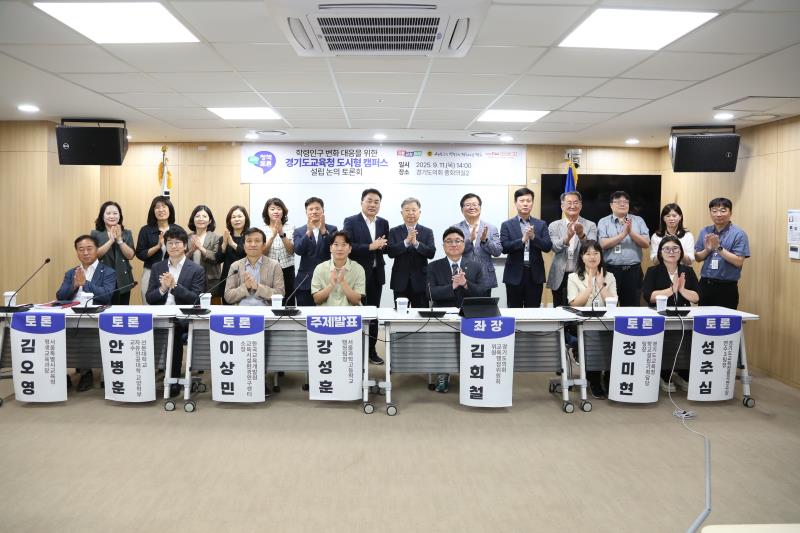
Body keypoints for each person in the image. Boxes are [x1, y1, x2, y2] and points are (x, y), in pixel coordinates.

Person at [145, 227, 205, 398]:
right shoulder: (158, 267)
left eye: (177, 243)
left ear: (185, 246)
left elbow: (196, 299)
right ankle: (144, 376)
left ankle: (172, 378)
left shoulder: (196, 269)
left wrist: (175, 287)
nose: (173, 246)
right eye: (170, 243)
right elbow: (150, 297)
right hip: (159, 314)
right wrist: (163, 289)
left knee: (175, 331)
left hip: (182, 317)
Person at [426, 227, 486, 393]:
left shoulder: (475, 266)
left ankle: (471, 374)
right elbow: (430, 293)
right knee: (442, 344)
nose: (453, 244)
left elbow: (482, 292)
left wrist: (466, 284)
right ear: (443, 245)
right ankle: (442, 373)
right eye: (449, 241)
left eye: (458, 241)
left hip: (469, 315)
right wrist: (452, 286)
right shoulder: (433, 266)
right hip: (443, 314)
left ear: (464, 244)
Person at [56, 235, 117, 392]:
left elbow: (107, 295)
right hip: (71, 314)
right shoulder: (71, 273)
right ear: (76, 252)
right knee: (53, 333)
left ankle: (86, 373)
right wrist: (75, 285)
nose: (85, 252)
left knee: (83, 335)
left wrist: (86, 284)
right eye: (81, 249)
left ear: (97, 250)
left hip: (95, 315)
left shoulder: (108, 271)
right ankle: (61, 375)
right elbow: (60, 296)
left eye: (89, 248)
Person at [642, 236, 700, 392]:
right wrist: (671, 290)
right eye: (666, 249)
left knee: (686, 344)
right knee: (667, 345)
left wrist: (682, 290)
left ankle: (683, 374)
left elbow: (696, 297)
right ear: (660, 253)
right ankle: (664, 375)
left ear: (681, 252)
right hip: (660, 316)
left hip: (684, 316)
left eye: (675, 248)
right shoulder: (653, 271)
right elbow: (649, 296)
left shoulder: (687, 271)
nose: (671, 252)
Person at [343, 188, 389, 365]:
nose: (372, 204)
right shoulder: (351, 221)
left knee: (373, 314)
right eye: (369, 201)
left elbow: (386, 246)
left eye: (376, 201)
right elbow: (349, 246)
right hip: (356, 276)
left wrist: (382, 246)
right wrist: (370, 246)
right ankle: (353, 349)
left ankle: (371, 351)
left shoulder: (383, 222)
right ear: (362, 202)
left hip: (376, 275)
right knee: (356, 314)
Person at [567, 240, 617, 399]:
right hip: (582, 323)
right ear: (582, 257)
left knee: (615, 337)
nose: (592, 256)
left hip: (607, 322)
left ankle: (609, 378)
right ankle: (594, 379)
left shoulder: (610, 276)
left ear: (601, 256)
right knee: (592, 336)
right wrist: (589, 287)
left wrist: (601, 286)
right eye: (587, 253)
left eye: (596, 253)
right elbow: (575, 303)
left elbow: (614, 304)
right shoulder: (574, 277)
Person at [500, 187, 552, 308]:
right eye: (522, 200)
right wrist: (522, 240)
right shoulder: (507, 225)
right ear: (515, 203)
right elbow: (504, 247)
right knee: (514, 310)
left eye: (528, 201)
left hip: (534, 275)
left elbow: (547, 247)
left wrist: (534, 237)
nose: (525, 204)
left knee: (533, 311)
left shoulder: (541, 224)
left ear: (532, 203)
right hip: (514, 275)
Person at [694, 198, 750, 309]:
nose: (718, 214)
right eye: (714, 211)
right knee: (704, 322)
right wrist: (708, 249)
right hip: (705, 284)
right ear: (710, 213)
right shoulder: (705, 231)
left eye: (723, 210)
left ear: (730, 213)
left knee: (725, 322)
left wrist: (718, 248)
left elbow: (739, 261)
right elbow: (698, 258)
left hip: (727, 287)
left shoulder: (739, 234)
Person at [597, 191, 650, 307]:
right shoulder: (603, 222)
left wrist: (630, 232)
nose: (623, 204)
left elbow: (646, 243)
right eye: (618, 202)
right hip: (610, 271)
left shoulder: (638, 220)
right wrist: (623, 234)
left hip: (633, 271)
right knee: (610, 305)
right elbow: (603, 244)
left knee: (632, 307)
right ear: (611, 205)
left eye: (626, 202)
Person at [547, 191, 597, 307]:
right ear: (562, 206)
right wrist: (567, 237)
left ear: (581, 205)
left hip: (581, 273)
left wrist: (581, 235)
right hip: (560, 274)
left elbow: (592, 249)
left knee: (580, 308)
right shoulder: (554, 225)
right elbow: (554, 247)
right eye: (569, 203)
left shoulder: (590, 225)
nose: (572, 206)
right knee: (559, 309)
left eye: (576, 202)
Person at [387, 198, 435, 309]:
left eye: (414, 210)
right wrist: (406, 242)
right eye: (407, 210)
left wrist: (416, 243)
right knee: (400, 315)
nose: (410, 213)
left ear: (419, 212)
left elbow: (431, 253)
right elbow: (390, 252)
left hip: (420, 281)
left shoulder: (427, 231)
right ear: (402, 213)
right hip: (400, 281)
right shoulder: (394, 231)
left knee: (420, 315)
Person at [135, 196, 184, 304]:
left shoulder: (178, 230)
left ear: (170, 209)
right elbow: (140, 253)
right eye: (157, 207)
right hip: (150, 271)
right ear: (153, 211)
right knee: (149, 304)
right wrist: (157, 246)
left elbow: (184, 253)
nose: (161, 210)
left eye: (164, 206)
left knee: (172, 303)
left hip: (173, 271)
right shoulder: (145, 230)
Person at [453, 193, 501, 296]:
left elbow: (498, 251)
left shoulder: (491, 228)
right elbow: (454, 251)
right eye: (468, 205)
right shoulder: (455, 229)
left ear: (480, 207)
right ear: (462, 209)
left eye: (475, 204)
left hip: (485, 276)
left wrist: (485, 241)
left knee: (484, 310)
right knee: (462, 310)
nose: (472, 207)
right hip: (463, 276)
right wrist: (469, 239)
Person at [293, 197, 337, 307]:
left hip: (326, 280)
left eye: (317, 209)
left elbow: (335, 250)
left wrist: (323, 231)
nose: (314, 211)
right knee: (305, 317)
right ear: (306, 212)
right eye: (311, 209)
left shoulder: (332, 229)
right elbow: (298, 250)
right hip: (305, 280)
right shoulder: (299, 231)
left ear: (323, 211)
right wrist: (308, 232)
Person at [224, 228, 285, 305]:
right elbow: (228, 296)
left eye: (257, 241)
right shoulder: (235, 266)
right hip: (241, 312)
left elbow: (280, 294)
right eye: (249, 241)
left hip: (265, 312)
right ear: (244, 246)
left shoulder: (274, 265)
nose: (253, 244)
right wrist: (245, 287)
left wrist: (257, 287)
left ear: (263, 245)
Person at [91, 201, 135, 305]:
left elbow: (131, 255)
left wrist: (119, 240)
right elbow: (94, 255)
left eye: (115, 213)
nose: (112, 216)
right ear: (102, 216)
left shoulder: (127, 233)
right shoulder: (96, 233)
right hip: (103, 279)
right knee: (103, 311)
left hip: (123, 279)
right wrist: (110, 241)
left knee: (122, 311)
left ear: (120, 216)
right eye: (108, 213)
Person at [311, 231, 366, 307]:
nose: (340, 248)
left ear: (350, 249)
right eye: (336, 245)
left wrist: (342, 282)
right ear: (330, 248)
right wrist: (331, 285)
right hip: (326, 315)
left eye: (344, 245)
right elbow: (317, 299)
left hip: (350, 315)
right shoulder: (320, 268)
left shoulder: (358, 269)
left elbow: (356, 301)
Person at [261, 198, 296, 305]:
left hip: (287, 269)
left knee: (288, 301)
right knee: (269, 300)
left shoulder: (291, 227)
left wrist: (281, 233)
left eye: (279, 208)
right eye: (272, 209)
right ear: (267, 212)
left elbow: (291, 251)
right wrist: (272, 236)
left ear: (283, 211)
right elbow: (262, 252)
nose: (276, 211)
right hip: (268, 269)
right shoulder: (261, 229)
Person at [216, 205, 249, 304]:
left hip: (246, 279)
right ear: (229, 220)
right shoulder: (223, 238)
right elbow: (218, 259)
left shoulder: (250, 237)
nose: (236, 219)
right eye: (233, 217)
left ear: (245, 219)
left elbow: (247, 254)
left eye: (239, 216)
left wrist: (233, 244)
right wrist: (225, 244)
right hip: (227, 279)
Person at [186, 205, 222, 295]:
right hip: (190, 280)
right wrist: (191, 251)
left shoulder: (216, 238)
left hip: (210, 282)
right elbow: (181, 259)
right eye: (197, 216)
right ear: (193, 220)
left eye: (204, 216)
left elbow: (216, 258)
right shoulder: (187, 237)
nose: (201, 219)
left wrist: (201, 248)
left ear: (209, 221)